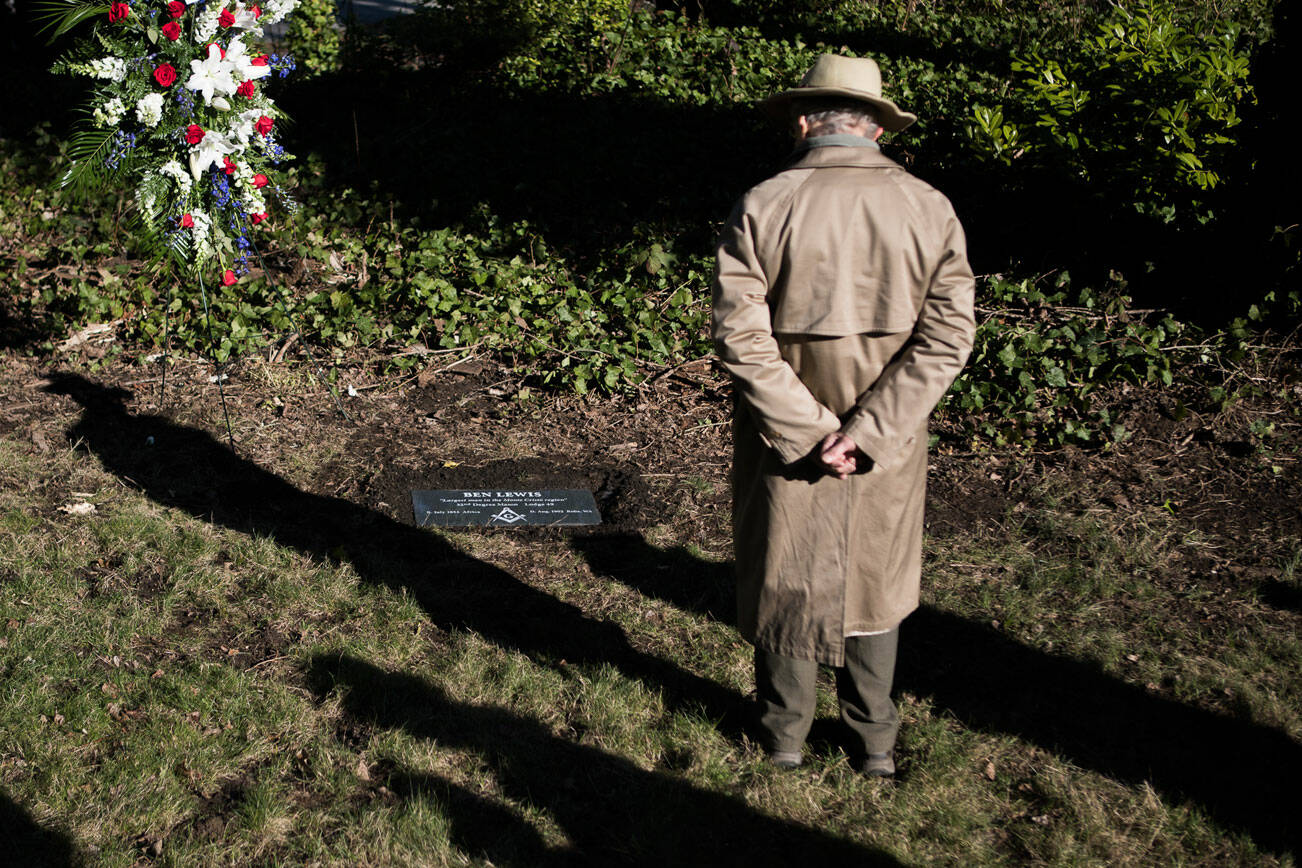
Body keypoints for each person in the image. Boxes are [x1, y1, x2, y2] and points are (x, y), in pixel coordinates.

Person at [711, 53, 976, 777]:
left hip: (783, 434)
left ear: (804, 120)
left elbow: (741, 334)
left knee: (786, 568)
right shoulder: (929, 206)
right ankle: (876, 745)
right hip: (885, 437)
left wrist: (806, 430)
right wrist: (869, 431)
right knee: (877, 573)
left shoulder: (764, 202)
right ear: (876, 125)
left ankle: (783, 738)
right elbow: (949, 336)